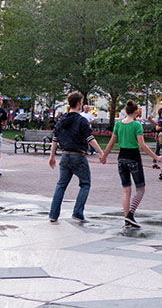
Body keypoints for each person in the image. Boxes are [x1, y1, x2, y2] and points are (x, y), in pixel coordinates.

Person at [101, 100, 161, 228]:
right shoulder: (137, 125)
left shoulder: (118, 125)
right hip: (134, 158)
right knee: (140, 189)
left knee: (126, 190)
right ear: (135, 112)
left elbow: (111, 143)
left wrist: (104, 156)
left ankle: (126, 217)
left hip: (121, 158)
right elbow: (142, 144)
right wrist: (156, 157)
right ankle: (130, 215)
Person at [48, 91, 104, 223]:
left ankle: (53, 214)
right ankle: (78, 212)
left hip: (65, 156)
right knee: (85, 184)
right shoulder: (81, 121)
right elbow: (90, 139)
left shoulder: (61, 120)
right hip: (78, 156)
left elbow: (54, 140)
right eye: (82, 102)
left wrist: (52, 156)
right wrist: (101, 152)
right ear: (79, 103)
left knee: (61, 185)